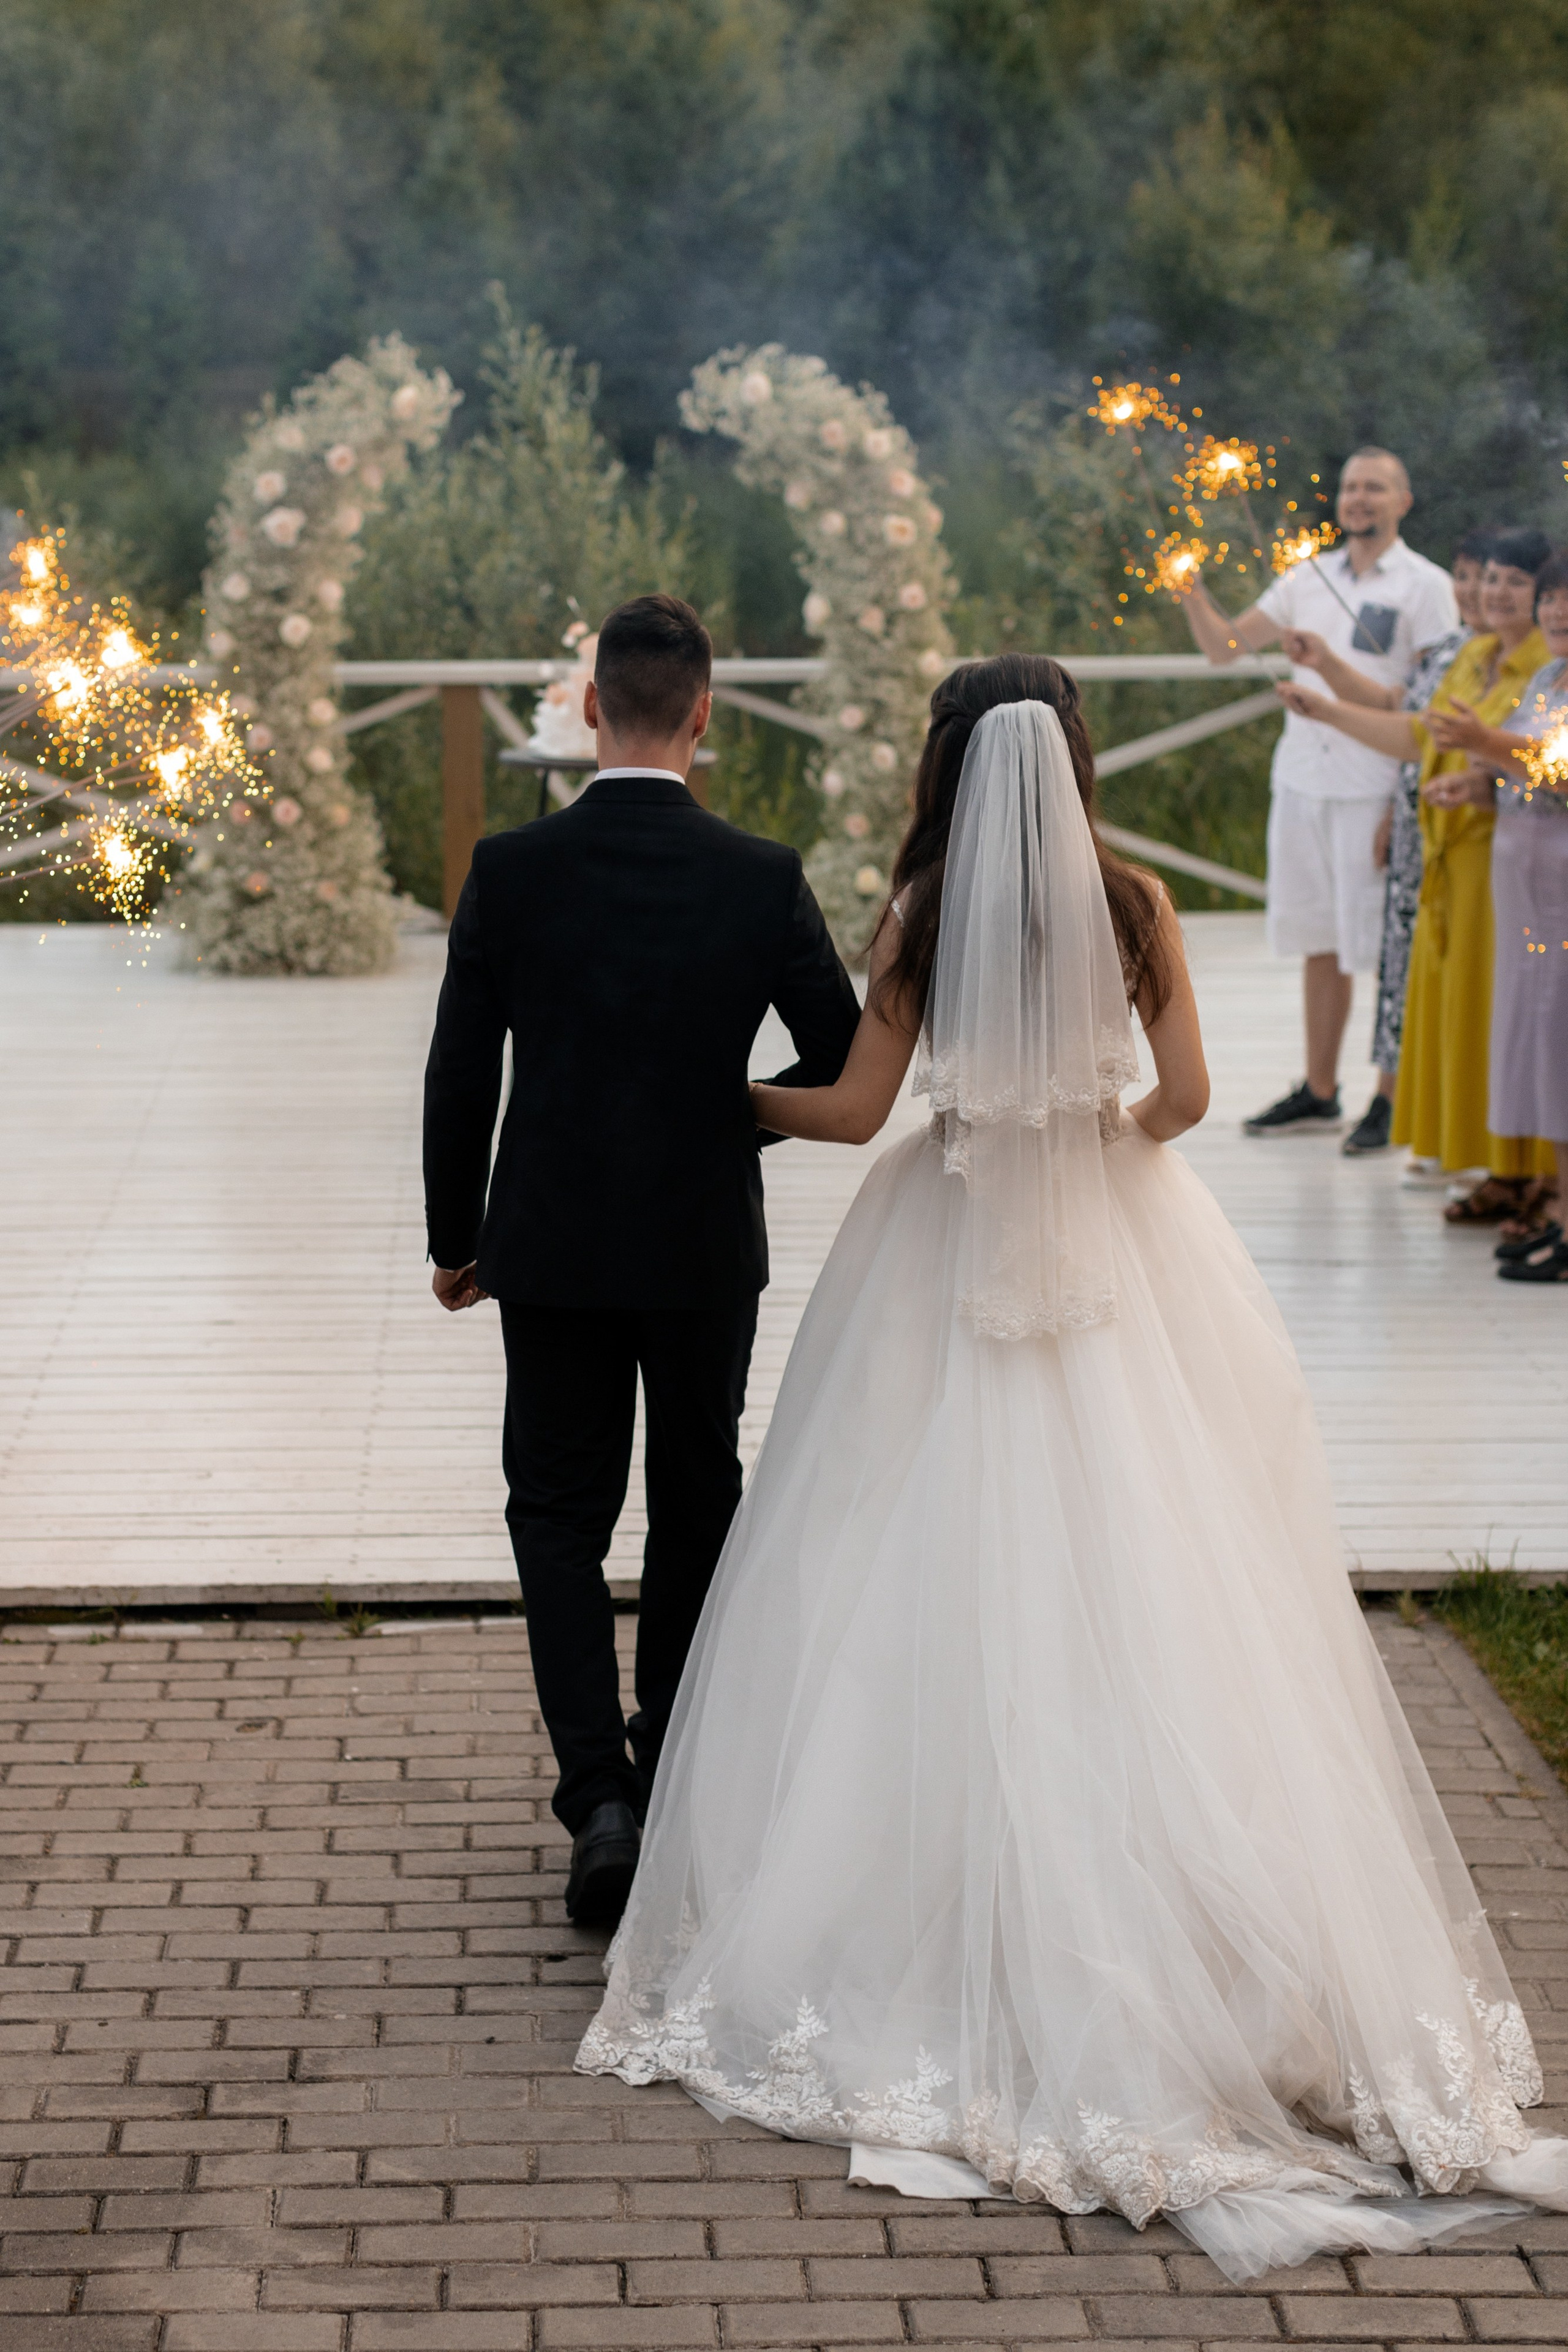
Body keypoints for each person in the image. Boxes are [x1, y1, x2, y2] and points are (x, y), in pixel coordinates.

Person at [578, 654, 1568, 2277]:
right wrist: (1092, 1140)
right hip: (1119, 1244)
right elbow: (1178, 1098)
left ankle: (920, 1904)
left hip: (949, 1238)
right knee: (1162, 1567)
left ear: (950, 762)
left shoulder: (917, 909)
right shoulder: (1138, 905)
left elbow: (853, 1111)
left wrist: (714, 1095)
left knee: (897, 1560)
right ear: (1078, 761)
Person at [422, 594, 861, 1926]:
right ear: (706, 716)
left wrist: (458, 1240)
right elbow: (838, 1058)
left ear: (592, 706)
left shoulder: (509, 870)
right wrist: (720, 1122)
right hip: (698, 1246)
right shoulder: (759, 874)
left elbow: (458, 1073)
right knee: (693, 1499)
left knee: (555, 1517)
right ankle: (667, 1768)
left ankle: (596, 1798)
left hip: (546, 1247)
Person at [1180, 448, 1458, 1137]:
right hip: (1302, 781)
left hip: (1375, 785)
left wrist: (1406, 803)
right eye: (1349, 487)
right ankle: (1320, 1086)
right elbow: (1224, 648)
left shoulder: (1426, 586)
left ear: (1404, 501)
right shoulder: (1305, 576)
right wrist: (1188, 586)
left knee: (1388, 947)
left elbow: (1431, 702)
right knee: (1318, 940)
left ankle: (1390, 1097)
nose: (1358, 498)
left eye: (1374, 488)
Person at [1277, 532, 1553, 1225]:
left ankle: (1536, 1178)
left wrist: (1484, 780)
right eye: (1489, 578)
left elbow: (1542, 762)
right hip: (1444, 863)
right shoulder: (1468, 655)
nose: (1495, 593)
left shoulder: (1548, 669)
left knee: (1517, 1018)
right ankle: (1495, 1166)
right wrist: (1328, 707)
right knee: (1469, 1021)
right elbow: (1416, 737)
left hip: (1514, 865)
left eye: (1518, 584)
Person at [1275, 530, 1493, 1155]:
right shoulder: (1450, 652)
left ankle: (1402, 1101)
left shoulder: (1500, 660)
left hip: (1462, 831)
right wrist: (1322, 674)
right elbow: (1398, 710)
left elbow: (1421, 735)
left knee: (1408, 963)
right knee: (1403, 964)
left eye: (1490, 577)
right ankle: (1397, 1103)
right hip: (1417, 820)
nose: (1474, 590)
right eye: (1468, 575)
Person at [1424, 551, 1568, 1280]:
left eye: (1566, 599)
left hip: (1561, 900)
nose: (1557, 611)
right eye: (1551, 597)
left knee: (1562, 1038)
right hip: (1526, 896)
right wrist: (1478, 787)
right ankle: (1561, 1215)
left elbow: (1561, 766)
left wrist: (1481, 743)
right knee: (1538, 1040)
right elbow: (1523, 772)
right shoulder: (1547, 677)